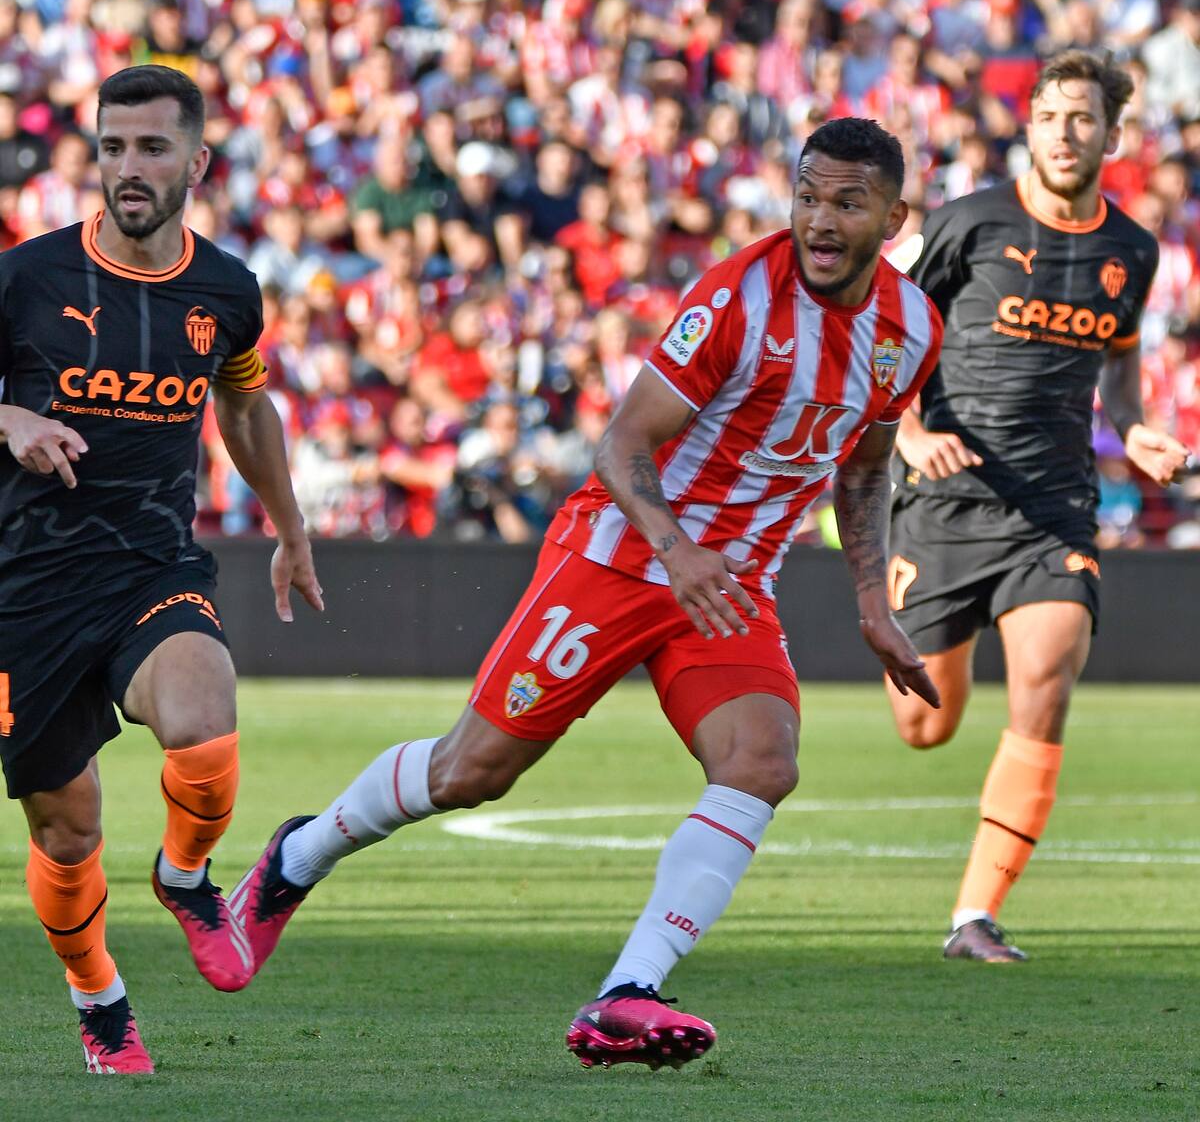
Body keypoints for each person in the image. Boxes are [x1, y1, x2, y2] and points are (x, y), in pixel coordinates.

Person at [227, 117, 943, 1068]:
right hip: (617, 559)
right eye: (807, 194)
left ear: (893, 218)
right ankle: (296, 857)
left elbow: (864, 469)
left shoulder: (912, 329)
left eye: (847, 202)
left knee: (763, 760)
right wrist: (678, 548)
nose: (819, 219)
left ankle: (627, 993)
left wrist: (871, 602)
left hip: (727, 589)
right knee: (471, 773)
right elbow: (621, 443)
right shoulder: (738, 297)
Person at [0, 66, 323, 1074]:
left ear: (197, 160)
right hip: (25, 589)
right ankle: (100, 999)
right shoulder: (27, 276)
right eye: (112, 146)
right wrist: (6, 416)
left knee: (204, 710)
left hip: (149, 561)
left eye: (150, 147)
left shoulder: (227, 291)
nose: (128, 168)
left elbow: (243, 406)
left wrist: (290, 525)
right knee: (66, 830)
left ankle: (185, 876)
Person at [884, 50, 1191, 962]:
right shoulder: (968, 225)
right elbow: (885, 336)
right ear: (1029, 127)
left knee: (1048, 680)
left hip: (1053, 511)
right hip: (942, 504)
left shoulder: (1132, 250)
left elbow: (1123, 377)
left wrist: (1135, 432)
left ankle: (971, 917)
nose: (1066, 132)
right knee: (924, 726)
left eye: (1084, 118)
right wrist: (906, 435)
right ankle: (951, 644)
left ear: (1112, 134)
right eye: (1051, 115)